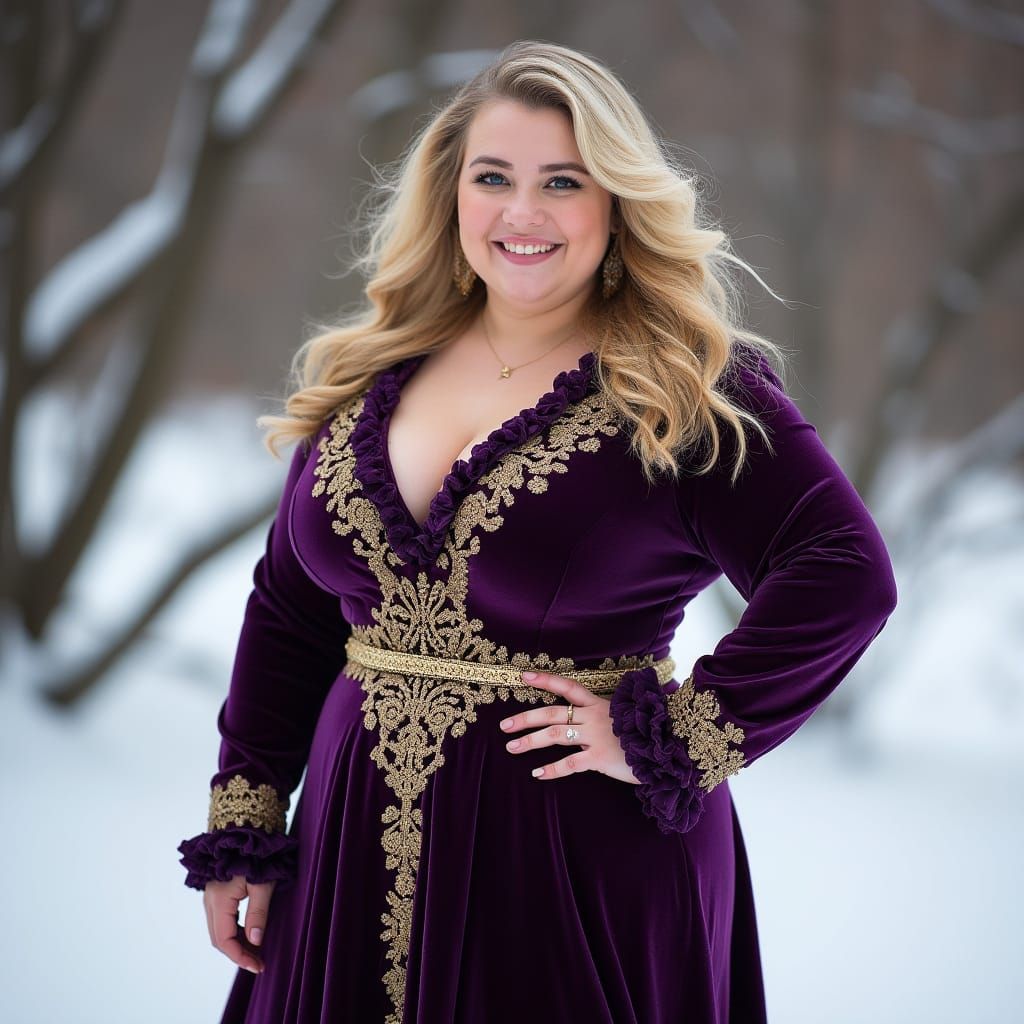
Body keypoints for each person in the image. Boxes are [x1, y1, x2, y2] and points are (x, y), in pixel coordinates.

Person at [177, 39, 898, 1024]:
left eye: (563, 181)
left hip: (573, 873)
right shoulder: (369, 376)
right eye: (493, 177)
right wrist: (247, 820)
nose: (522, 213)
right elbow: (292, 614)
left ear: (615, 202)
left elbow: (844, 571)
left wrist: (676, 736)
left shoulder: (684, 391)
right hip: (345, 865)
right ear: (451, 196)